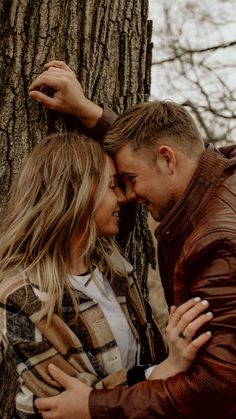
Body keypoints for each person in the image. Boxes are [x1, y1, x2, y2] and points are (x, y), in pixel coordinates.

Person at [29, 61, 236, 419]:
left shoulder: (217, 244)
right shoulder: (225, 170)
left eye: (128, 178)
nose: (127, 196)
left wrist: (94, 406)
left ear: (167, 159)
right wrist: (88, 112)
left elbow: (218, 388)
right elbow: (149, 144)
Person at [0, 131, 211, 419]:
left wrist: (90, 111)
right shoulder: (20, 295)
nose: (124, 197)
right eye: (113, 186)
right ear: (78, 194)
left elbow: (162, 160)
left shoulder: (112, 263)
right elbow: (65, 403)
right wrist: (162, 371)